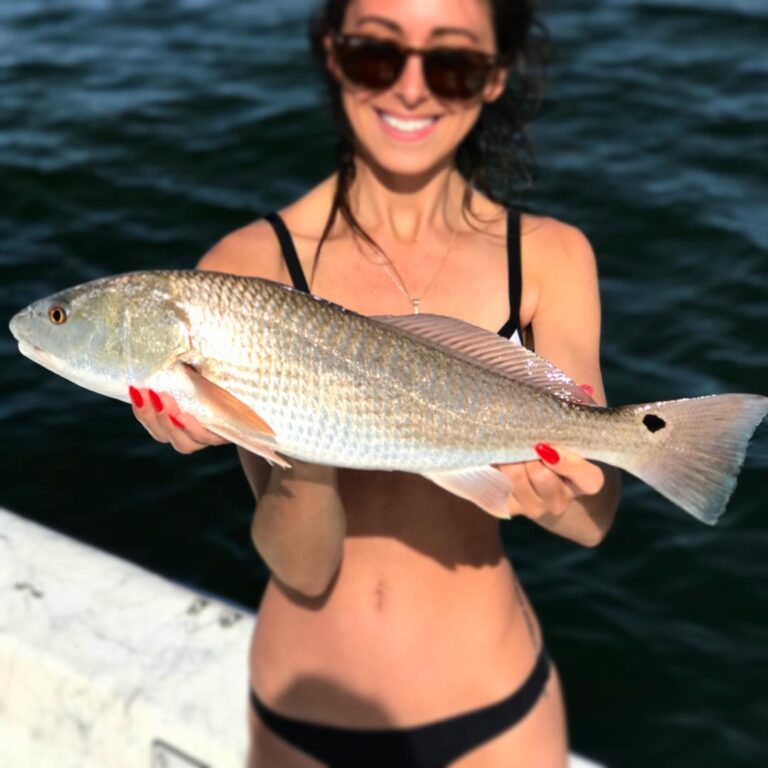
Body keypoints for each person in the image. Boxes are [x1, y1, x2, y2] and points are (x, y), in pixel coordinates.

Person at [130, 0, 621, 765]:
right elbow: (304, 563)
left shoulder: (552, 256)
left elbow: (590, 523)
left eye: (452, 63)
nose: (411, 89)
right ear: (333, 54)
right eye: (375, 55)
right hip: (305, 722)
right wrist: (302, 412)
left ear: (495, 78)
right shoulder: (243, 271)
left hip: (499, 718)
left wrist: (563, 481)